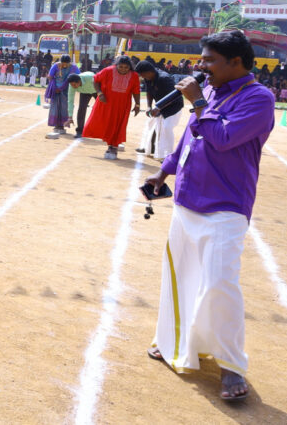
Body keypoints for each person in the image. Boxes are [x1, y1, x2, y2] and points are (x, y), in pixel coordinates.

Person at [144, 30, 275, 402]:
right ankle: (173, 342)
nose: (202, 67)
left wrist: (199, 101)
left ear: (236, 62)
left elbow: (222, 138)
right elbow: (191, 138)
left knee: (220, 283)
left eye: (210, 60)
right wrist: (164, 171)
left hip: (226, 205)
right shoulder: (213, 91)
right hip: (187, 200)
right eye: (202, 60)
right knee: (180, 276)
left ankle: (232, 364)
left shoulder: (259, 99)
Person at [82, 55, 141, 159]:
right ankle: (110, 144)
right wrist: (100, 93)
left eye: (126, 67)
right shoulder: (108, 71)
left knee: (118, 124)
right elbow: (95, 80)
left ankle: (113, 146)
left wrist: (137, 104)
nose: (123, 69)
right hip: (106, 103)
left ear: (130, 67)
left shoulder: (134, 76)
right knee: (103, 122)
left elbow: (136, 91)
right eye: (121, 66)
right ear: (116, 65)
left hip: (122, 105)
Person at [135, 60, 185, 160]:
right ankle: (148, 148)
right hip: (160, 106)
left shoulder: (164, 78)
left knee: (166, 128)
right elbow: (149, 92)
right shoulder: (148, 78)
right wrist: (149, 106)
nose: (142, 77)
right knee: (151, 124)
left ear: (149, 71)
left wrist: (158, 108)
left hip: (173, 107)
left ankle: (167, 155)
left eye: (143, 75)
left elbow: (173, 97)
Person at [45, 55, 80, 137]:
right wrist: (54, 86)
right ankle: (57, 124)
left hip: (67, 91)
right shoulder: (55, 66)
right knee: (55, 107)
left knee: (65, 107)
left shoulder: (74, 68)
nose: (64, 65)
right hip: (56, 90)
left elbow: (78, 76)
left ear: (69, 63)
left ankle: (62, 124)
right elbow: (50, 76)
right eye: (62, 63)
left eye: (66, 64)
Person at [65, 71, 95, 139]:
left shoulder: (90, 78)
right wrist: (70, 116)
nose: (73, 87)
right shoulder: (72, 86)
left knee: (103, 109)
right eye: (71, 85)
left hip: (97, 90)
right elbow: (70, 101)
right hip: (84, 92)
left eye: (75, 85)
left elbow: (101, 83)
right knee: (81, 109)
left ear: (79, 82)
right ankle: (80, 131)